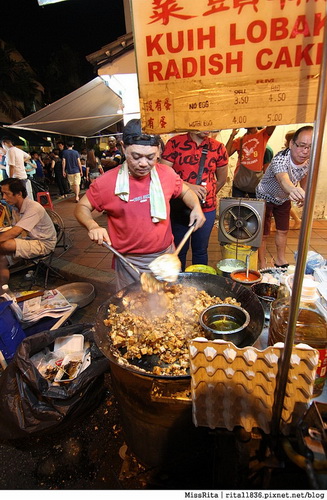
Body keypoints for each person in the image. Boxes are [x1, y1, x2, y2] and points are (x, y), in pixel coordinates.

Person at [74, 119, 205, 291]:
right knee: (134, 308)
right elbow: (81, 207)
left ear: (158, 151)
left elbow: (186, 191)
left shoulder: (166, 173)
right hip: (129, 262)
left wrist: (196, 207)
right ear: (123, 147)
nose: (144, 163)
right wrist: (92, 225)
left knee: (169, 304)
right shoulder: (106, 182)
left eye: (151, 157)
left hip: (165, 257)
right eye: (136, 156)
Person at [161, 130, 228, 270]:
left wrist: (207, 196)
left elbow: (221, 179)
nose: (207, 128)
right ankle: (178, 285)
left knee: (201, 250)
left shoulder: (218, 147)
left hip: (207, 209)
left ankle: (199, 286)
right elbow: (163, 174)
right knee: (179, 249)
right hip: (179, 207)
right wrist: (188, 187)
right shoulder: (174, 143)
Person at [256, 125, 313, 270]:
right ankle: (262, 262)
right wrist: (293, 189)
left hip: (283, 198)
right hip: (265, 196)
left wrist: (304, 195)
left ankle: (280, 260)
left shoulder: (309, 160)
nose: (305, 151)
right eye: (301, 146)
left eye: (309, 147)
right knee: (263, 233)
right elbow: (283, 180)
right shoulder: (280, 159)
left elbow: (304, 178)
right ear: (291, 144)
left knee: (283, 229)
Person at [0, 178, 57, 286]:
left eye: (7, 194)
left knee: (5, 244)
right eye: (3, 194)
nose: (4, 198)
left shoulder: (33, 207)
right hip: (30, 240)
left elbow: (15, 232)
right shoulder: (15, 208)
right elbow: (14, 228)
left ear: (19, 194)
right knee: (1, 260)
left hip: (44, 244)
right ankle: (2, 293)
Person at [225, 126, 276, 198]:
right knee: (237, 208)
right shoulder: (239, 140)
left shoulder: (262, 134)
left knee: (254, 207)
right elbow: (225, 154)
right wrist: (232, 136)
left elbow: (273, 123)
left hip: (255, 182)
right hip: (240, 182)